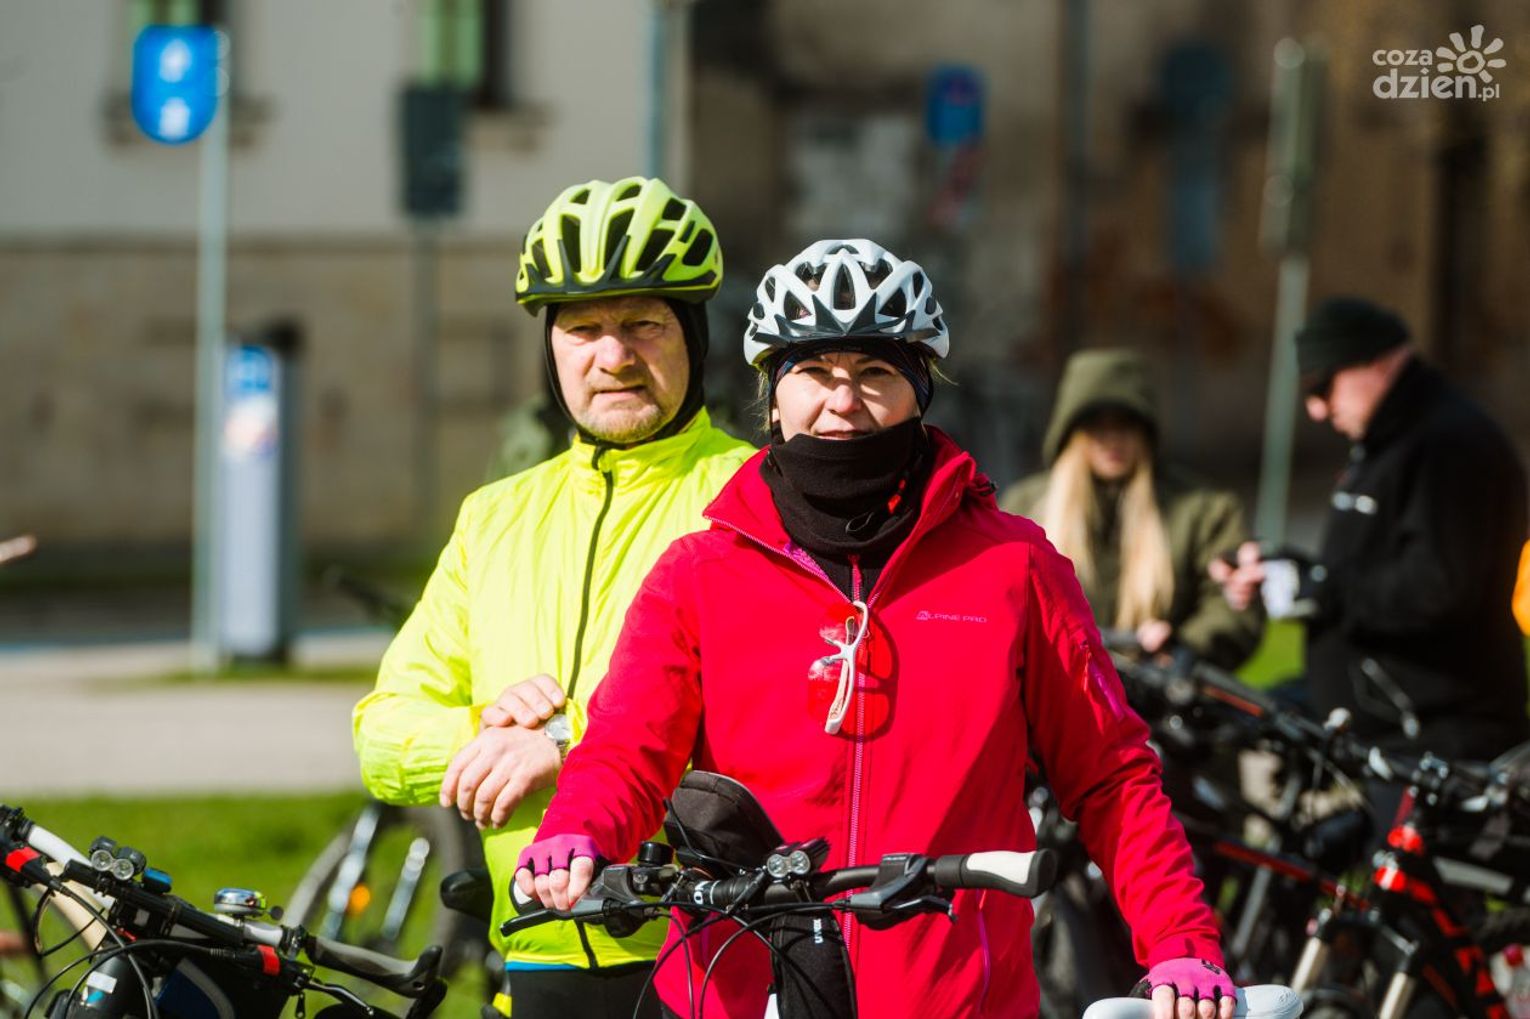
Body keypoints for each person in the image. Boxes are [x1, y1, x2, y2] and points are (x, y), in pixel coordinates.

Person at [514, 239, 1234, 1019]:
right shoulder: (699, 573)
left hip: (957, 1002)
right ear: (773, 395)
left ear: (920, 391)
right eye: (814, 371)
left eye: (875, 373)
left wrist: (1180, 940)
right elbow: (626, 750)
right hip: (744, 995)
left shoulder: (1014, 567)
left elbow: (1112, 777)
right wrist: (576, 827)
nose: (843, 401)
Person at [352, 177, 754, 1018]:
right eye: (583, 328)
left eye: (643, 324)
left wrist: (570, 742)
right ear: (551, 345)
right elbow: (382, 735)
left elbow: (774, 725)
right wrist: (492, 735)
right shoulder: (494, 515)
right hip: (532, 955)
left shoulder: (753, 497)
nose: (614, 356)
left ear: (694, 334)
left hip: (708, 952)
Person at [1212, 296, 1529, 761]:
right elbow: (1368, 564)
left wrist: (1323, 589)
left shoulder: (1449, 445)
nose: (1317, 410)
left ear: (1378, 362)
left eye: (1323, 387)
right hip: (1378, 731)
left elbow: (1438, 589)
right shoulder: (1388, 438)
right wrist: (1288, 569)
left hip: (1438, 745)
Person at [1001, 349, 1263, 669]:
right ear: (1071, 432)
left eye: (1125, 424)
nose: (1112, 439)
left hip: (1160, 689)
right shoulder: (1023, 508)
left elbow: (1232, 604)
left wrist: (1184, 645)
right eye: (1097, 425)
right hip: (1052, 684)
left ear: (1145, 430)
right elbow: (991, 600)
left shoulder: (1203, 511)